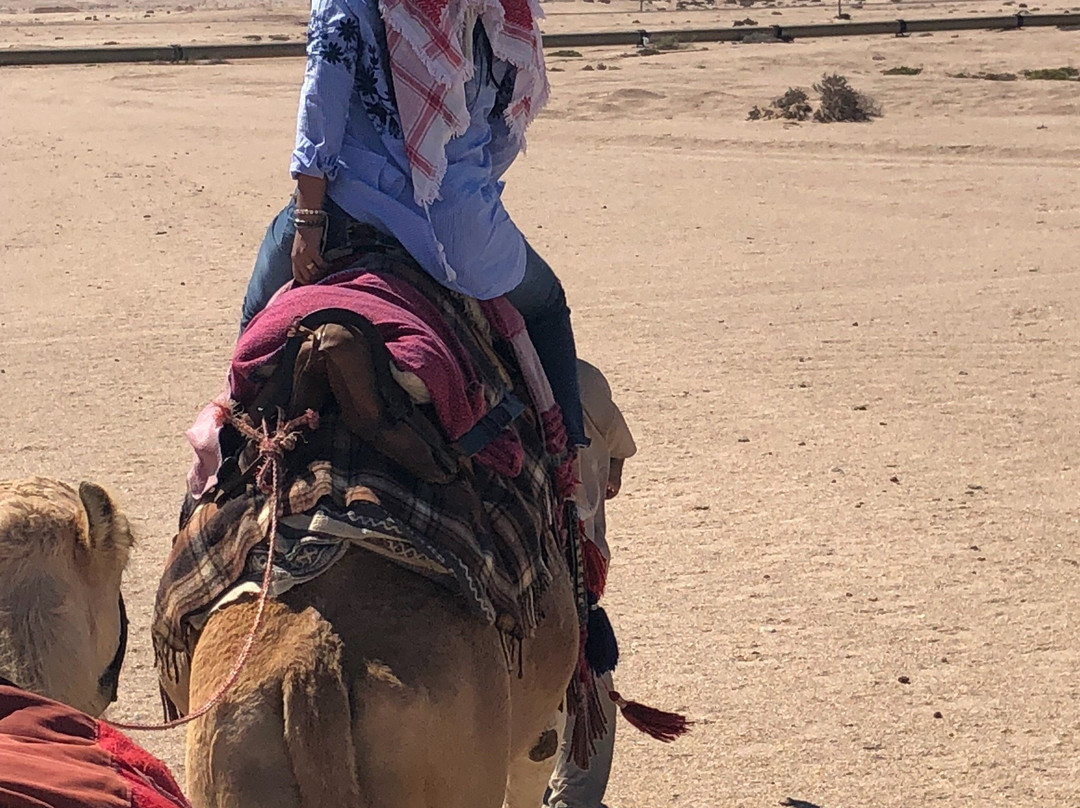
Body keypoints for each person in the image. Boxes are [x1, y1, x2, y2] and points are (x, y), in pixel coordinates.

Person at [239, 0, 587, 448]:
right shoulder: (496, 6)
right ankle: (571, 452)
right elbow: (502, 128)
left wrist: (308, 221)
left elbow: (322, 101)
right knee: (545, 305)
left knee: (257, 315)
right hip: (462, 234)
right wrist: (461, 186)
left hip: (350, 209)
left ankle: (228, 454)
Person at [546, 359, 637, 808]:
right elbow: (620, 448)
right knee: (586, 670)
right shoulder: (580, 378)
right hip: (573, 562)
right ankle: (575, 800)